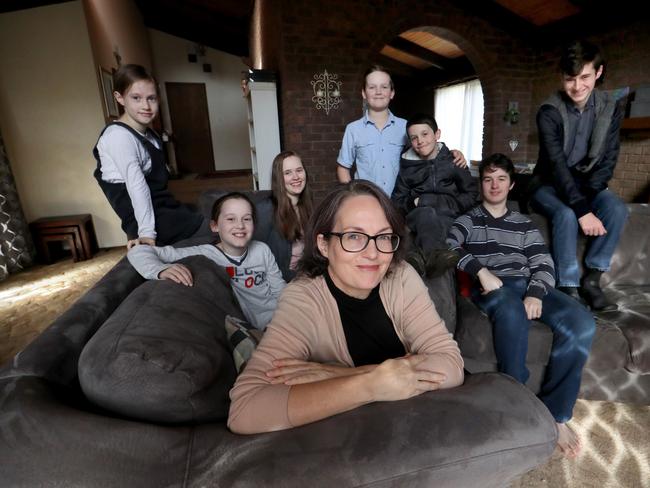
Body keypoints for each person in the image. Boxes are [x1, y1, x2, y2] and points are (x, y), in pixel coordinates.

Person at [228, 180, 464, 434]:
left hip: (416, 427)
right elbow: (245, 410)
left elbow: (451, 366)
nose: (373, 253)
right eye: (354, 236)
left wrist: (333, 373)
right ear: (324, 245)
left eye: (383, 237)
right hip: (356, 442)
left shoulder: (401, 276)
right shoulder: (303, 298)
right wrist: (370, 386)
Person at [447, 153, 595, 459]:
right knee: (510, 309)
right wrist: (482, 272)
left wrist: (536, 293)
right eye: (488, 179)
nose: (494, 185)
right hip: (493, 285)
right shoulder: (468, 220)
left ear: (512, 184)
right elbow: (449, 246)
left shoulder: (523, 225)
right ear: (481, 184)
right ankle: (518, 403)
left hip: (528, 284)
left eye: (501, 178)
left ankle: (556, 415)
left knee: (582, 321)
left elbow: (542, 263)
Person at [528, 40, 628, 311]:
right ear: (562, 77)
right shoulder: (548, 111)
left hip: (587, 184)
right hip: (548, 184)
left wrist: (591, 195)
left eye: (585, 77)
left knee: (617, 209)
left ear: (598, 72)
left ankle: (592, 281)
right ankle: (567, 286)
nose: (577, 86)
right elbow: (557, 166)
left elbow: (609, 157)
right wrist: (583, 210)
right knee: (566, 214)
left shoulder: (611, 107)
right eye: (570, 79)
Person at [127, 192, 285, 330]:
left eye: (247, 219)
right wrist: (160, 270)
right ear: (215, 226)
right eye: (231, 219)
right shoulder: (206, 253)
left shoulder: (262, 250)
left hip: (281, 317)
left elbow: (280, 290)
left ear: (254, 224)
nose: (240, 225)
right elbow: (138, 251)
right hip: (256, 327)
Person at [93, 64, 211, 249]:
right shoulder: (119, 136)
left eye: (151, 98)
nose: (146, 106)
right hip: (151, 222)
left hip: (164, 209)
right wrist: (146, 234)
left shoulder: (149, 135)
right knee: (221, 230)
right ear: (119, 98)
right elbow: (136, 186)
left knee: (217, 213)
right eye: (136, 98)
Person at [336, 65, 466, 196]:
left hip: (399, 203)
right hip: (367, 202)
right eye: (372, 87)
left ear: (392, 93)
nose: (378, 92)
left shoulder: (405, 127)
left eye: (384, 87)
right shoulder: (353, 129)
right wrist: (354, 197)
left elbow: (425, 150)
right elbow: (343, 168)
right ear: (364, 93)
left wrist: (453, 154)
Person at [392, 113, 478, 276]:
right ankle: (432, 258)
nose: (420, 141)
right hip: (418, 216)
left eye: (425, 134)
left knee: (444, 229)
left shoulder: (454, 161)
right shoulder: (407, 168)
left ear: (437, 134)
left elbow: (471, 193)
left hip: (447, 216)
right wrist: (415, 202)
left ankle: (419, 258)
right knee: (427, 213)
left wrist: (450, 205)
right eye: (414, 138)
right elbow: (396, 202)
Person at [254, 150, 313, 281]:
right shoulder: (266, 209)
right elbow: (252, 254)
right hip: (282, 282)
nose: (296, 177)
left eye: (299, 170)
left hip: (307, 274)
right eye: (288, 173)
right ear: (279, 178)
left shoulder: (307, 207)